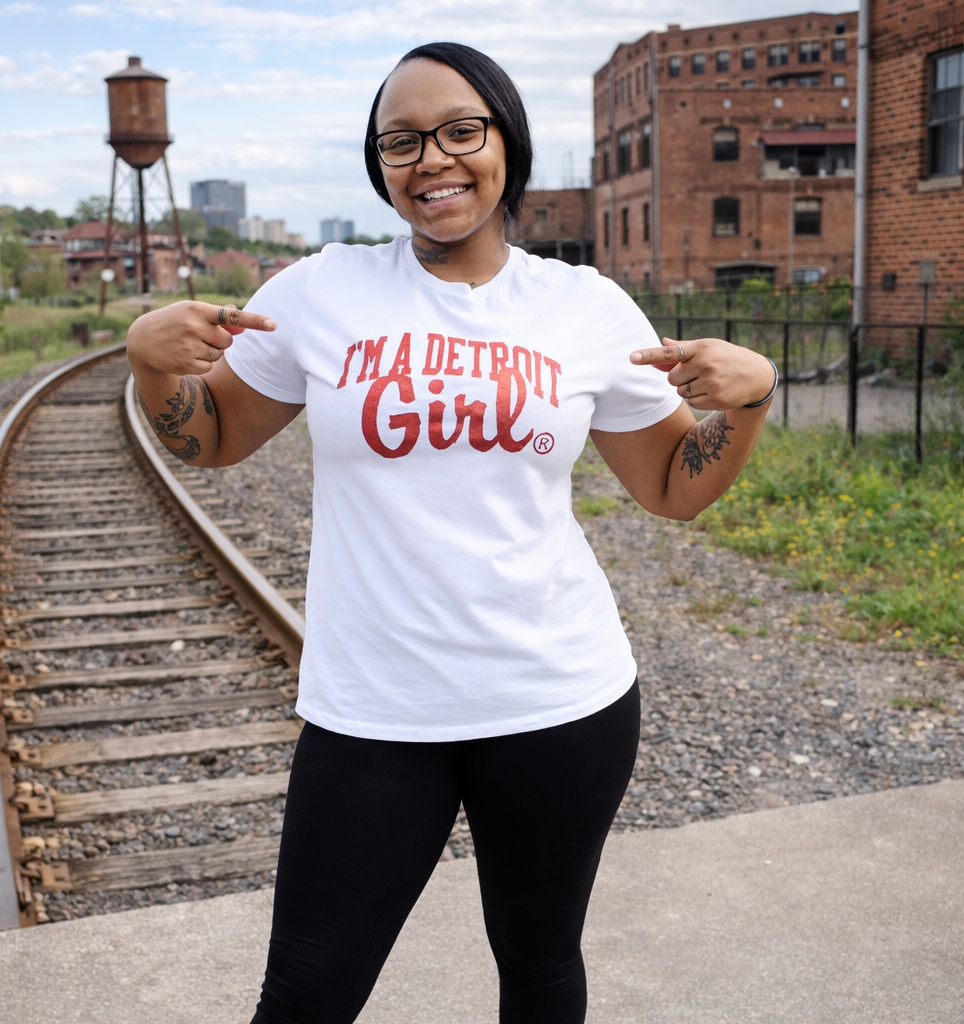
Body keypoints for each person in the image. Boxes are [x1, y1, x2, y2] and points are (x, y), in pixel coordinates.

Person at [126, 41, 777, 1024]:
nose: (431, 160)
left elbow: (673, 489)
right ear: (379, 164)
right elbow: (208, 438)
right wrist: (149, 370)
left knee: (540, 963)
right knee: (306, 987)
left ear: (503, 140)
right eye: (400, 143)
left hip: (559, 699)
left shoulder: (582, 306)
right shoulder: (318, 293)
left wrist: (753, 401)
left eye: (458, 132)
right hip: (373, 711)